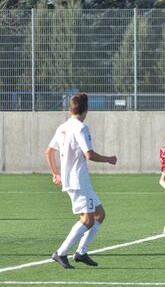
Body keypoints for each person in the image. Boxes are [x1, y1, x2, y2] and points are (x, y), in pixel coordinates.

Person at [45, 93, 117, 269]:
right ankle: (61, 253)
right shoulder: (81, 128)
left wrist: (55, 174)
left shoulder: (63, 126)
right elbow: (89, 154)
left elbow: (48, 152)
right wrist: (109, 159)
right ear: (87, 109)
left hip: (75, 180)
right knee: (88, 220)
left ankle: (81, 252)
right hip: (78, 181)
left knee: (100, 214)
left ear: (71, 109)